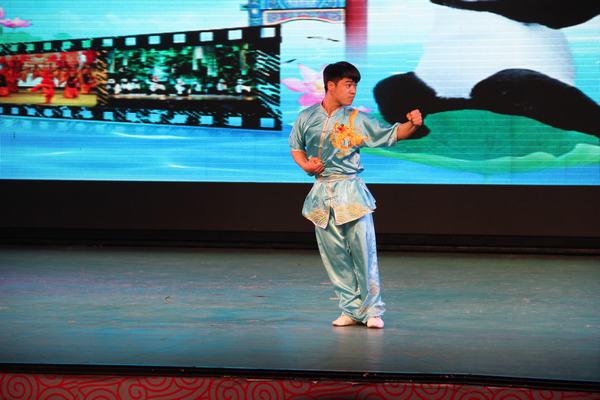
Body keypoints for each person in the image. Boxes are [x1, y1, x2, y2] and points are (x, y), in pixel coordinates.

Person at [289, 61, 423, 329]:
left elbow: (392, 134)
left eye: (355, 86)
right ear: (331, 86)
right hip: (321, 195)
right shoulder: (306, 117)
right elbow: (296, 146)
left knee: (364, 253)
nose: (353, 91)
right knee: (335, 257)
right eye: (348, 85)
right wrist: (306, 166)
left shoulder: (356, 119)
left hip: (350, 193)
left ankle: (372, 310)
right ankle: (350, 309)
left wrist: (413, 125)